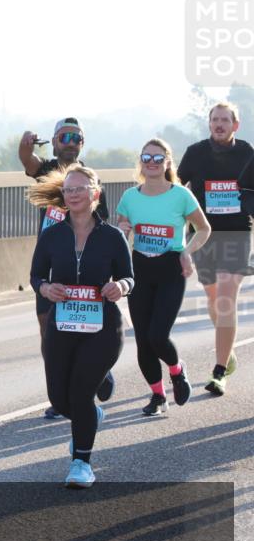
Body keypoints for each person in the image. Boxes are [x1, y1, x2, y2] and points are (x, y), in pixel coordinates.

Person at [30, 166, 133, 488]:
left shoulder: (112, 237)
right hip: (62, 326)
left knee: (80, 392)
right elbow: (35, 276)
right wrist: (46, 289)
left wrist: (122, 287)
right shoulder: (52, 235)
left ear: (95, 194)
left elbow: (130, 277)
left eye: (80, 188)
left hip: (102, 328)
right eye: (69, 189)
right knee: (61, 401)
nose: (73, 194)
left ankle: (81, 463)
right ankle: (90, 416)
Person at [19, 118, 114, 419]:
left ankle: (97, 371)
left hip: (82, 265)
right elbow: (26, 159)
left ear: (82, 144)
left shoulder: (90, 177)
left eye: (76, 137)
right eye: (64, 136)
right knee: (49, 330)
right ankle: (58, 393)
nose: (70, 142)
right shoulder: (47, 171)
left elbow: (104, 225)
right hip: (50, 264)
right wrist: (25, 141)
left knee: (83, 326)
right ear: (55, 141)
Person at [114, 139, 210, 415]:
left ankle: (177, 372)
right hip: (140, 269)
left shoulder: (180, 195)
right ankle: (157, 396)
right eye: (147, 157)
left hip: (171, 268)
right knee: (143, 340)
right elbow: (121, 232)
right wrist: (123, 229)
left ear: (168, 162)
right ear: (141, 162)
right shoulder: (130, 197)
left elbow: (203, 229)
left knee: (158, 335)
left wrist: (187, 252)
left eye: (158, 158)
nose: (152, 162)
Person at [177, 101, 254, 396]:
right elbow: (176, 188)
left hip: (237, 234)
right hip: (204, 235)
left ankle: (219, 370)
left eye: (225, 120)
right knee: (212, 299)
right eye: (214, 120)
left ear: (236, 125)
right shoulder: (196, 153)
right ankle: (228, 353)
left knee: (225, 299)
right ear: (209, 124)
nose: (219, 124)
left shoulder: (248, 153)